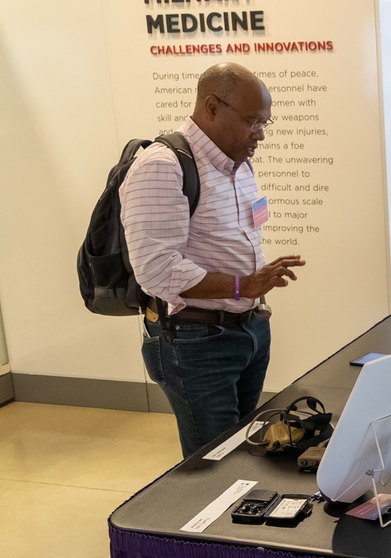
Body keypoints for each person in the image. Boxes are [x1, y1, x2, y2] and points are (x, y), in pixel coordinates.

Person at [120, 63, 305, 457]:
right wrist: (243, 285)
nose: (260, 134)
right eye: (252, 121)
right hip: (196, 342)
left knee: (245, 451)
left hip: (248, 330)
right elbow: (157, 270)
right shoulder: (162, 166)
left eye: (265, 124)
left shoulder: (237, 164)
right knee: (215, 464)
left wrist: (253, 299)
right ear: (211, 107)